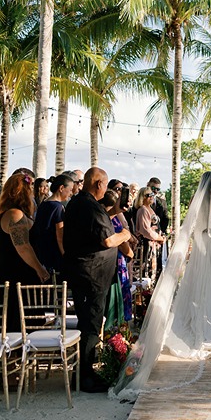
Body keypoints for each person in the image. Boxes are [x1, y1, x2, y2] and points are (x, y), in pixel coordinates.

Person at [113, 172, 211, 400]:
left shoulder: (194, 200)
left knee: (198, 282)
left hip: (200, 245)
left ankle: (197, 318)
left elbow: (195, 224)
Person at [63, 167, 132, 392]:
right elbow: (108, 240)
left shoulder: (80, 203)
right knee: (91, 325)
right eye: (105, 184)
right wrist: (125, 234)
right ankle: (85, 378)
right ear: (99, 184)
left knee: (91, 323)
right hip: (89, 275)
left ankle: (87, 372)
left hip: (90, 274)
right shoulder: (88, 205)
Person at [0, 173, 50, 330]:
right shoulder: (14, 214)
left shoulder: (17, 214)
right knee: (16, 323)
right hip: (14, 274)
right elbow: (23, 247)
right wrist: (40, 269)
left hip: (21, 273)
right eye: (30, 188)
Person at [101, 188, 135, 326]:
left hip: (116, 262)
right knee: (115, 299)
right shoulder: (110, 219)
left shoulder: (113, 216)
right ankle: (114, 332)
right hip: (115, 263)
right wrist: (130, 252)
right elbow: (120, 243)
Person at [31, 173, 74, 277]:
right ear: (62, 188)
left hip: (41, 252)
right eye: (70, 189)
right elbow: (60, 237)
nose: (71, 193)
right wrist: (66, 256)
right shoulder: (58, 207)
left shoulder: (44, 204)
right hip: (53, 255)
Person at [135, 188, 166, 279]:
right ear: (142, 197)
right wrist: (159, 237)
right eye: (149, 195)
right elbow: (146, 231)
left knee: (154, 271)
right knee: (147, 272)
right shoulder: (143, 210)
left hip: (154, 246)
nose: (152, 197)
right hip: (147, 245)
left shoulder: (150, 209)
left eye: (152, 195)